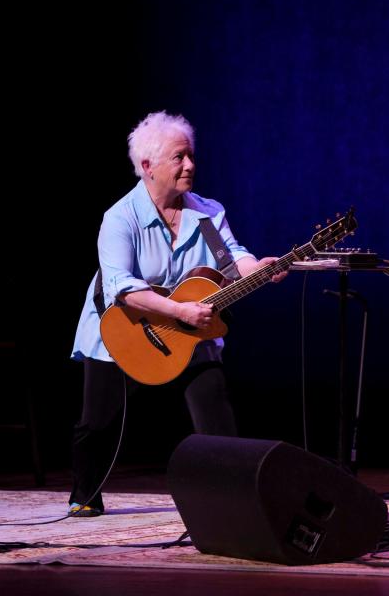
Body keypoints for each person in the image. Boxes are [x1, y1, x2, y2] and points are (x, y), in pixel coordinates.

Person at [69, 111, 287, 516]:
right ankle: (85, 496)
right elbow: (121, 287)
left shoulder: (206, 213)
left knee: (216, 411)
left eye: (191, 156)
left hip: (188, 330)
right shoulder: (121, 218)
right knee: (97, 423)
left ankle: (235, 499)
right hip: (123, 327)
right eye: (178, 157)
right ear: (148, 166)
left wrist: (258, 268)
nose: (190, 165)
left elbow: (229, 259)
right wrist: (179, 310)